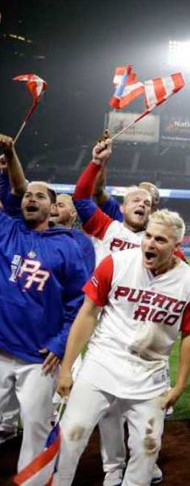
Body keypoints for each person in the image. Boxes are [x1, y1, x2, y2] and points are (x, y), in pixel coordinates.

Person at [54, 209, 190, 485]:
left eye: (160, 240)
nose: (149, 244)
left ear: (176, 246)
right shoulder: (116, 263)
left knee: (146, 448)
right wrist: (67, 367)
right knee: (71, 435)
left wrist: (180, 385)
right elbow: (87, 314)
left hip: (150, 373)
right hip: (102, 362)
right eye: (148, 236)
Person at [0, 135, 88, 474]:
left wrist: (60, 343)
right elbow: (8, 189)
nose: (31, 199)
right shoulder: (8, 229)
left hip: (39, 359)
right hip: (2, 348)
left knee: (35, 432)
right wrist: (8, 154)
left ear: (53, 208)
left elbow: (78, 303)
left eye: (41, 196)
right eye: (27, 195)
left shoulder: (68, 246)